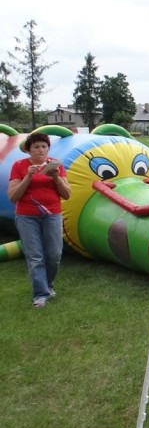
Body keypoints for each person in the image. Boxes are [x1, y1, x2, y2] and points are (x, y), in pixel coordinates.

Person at [8, 132, 72, 307]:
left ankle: (48, 286)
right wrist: (28, 177)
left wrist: (56, 177)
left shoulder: (55, 165)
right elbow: (13, 196)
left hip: (52, 215)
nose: (40, 150)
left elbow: (67, 194)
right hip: (26, 216)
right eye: (36, 147)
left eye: (44, 146)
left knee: (54, 255)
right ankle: (40, 294)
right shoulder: (19, 166)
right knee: (35, 256)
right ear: (29, 150)